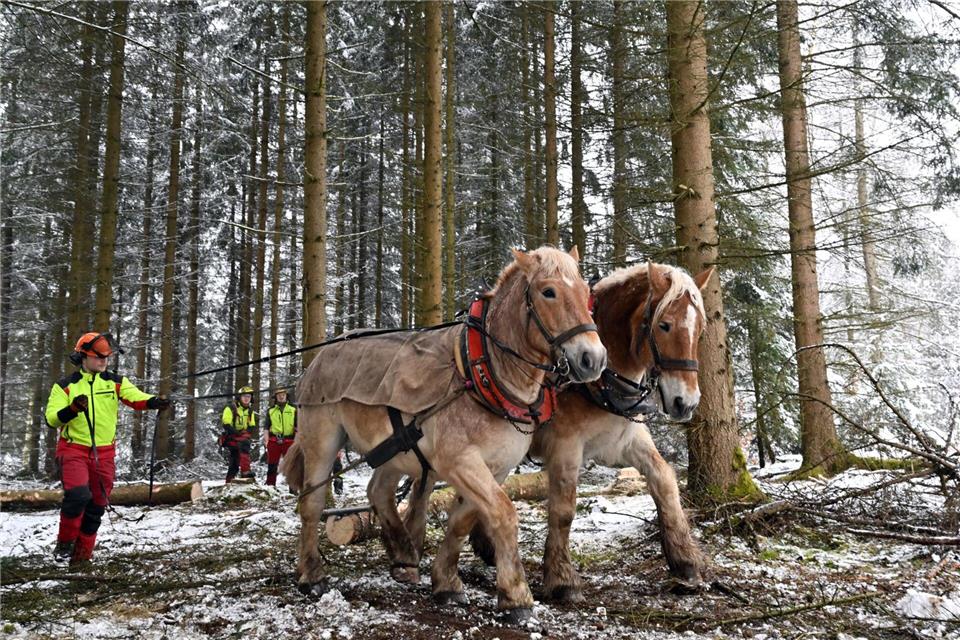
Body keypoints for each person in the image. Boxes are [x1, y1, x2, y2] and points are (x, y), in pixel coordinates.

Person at [45, 332, 170, 566]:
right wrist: (72, 409)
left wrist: (154, 401)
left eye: (107, 357)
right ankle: (64, 546)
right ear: (83, 357)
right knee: (78, 496)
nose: (103, 362)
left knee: (96, 507)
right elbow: (52, 419)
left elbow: (136, 397)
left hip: (104, 454)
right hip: (74, 450)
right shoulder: (65, 386)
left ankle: (81, 560)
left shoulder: (115, 382)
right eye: (98, 357)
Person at [221, 385, 257, 483]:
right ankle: (245, 471)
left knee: (234, 463)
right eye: (244, 396)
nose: (246, 399)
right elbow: (226, 424)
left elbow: (252, 425)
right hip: (231, 437)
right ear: (239, 397)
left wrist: (245, 433)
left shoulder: (250, 411)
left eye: (248, 397)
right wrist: (238, 433)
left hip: (242, 437)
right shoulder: (231, 408)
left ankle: (229, 482)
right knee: (244, 445)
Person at [263, 387, 297, 486]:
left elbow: (298, 426)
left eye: (283, 395)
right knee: (272, 465)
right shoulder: (271, 410)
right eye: (279, 395)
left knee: (292, 465)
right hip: (274, 440)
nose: (281, 397)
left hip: (290, 440)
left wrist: (297, 441)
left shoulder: (293, 409)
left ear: (286, 396)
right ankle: (270, 486)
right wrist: (266, 440)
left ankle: (293, 488)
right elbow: (266, 427)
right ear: (276, 397)